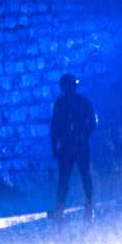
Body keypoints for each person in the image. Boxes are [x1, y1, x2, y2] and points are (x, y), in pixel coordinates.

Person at [49, 73, 98, 222]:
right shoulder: (61, 104)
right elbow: (55, 126)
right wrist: (55, 147)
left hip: (80, 147)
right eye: (66, 87)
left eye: (70, 86)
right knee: (64, 180)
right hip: (66, 148)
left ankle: (89, 209)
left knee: (85, 178)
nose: (68, 89)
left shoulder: (83, 102)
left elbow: (93, 121)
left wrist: (84, 134)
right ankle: (59, 211)